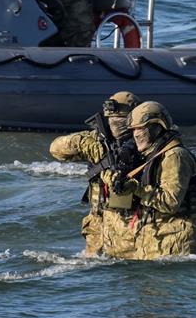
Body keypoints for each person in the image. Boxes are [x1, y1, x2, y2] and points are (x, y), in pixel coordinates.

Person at [48, 91, 141, 257]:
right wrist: (83, 143)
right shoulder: (96, 139)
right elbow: (55, 149)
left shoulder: (144, 143)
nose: (116, 125)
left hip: (129, 228)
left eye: (121, 121)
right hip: (97, 227)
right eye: (112, 120)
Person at [115, 101, 196, 259]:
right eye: (133, 129)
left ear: (157, 127)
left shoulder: (175, 156)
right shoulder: (154, 156)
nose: (136, 134)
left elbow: (170, 202)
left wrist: (136, 188)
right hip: (160, 242)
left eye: (141, 128)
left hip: (177, 245)